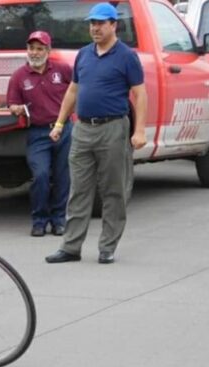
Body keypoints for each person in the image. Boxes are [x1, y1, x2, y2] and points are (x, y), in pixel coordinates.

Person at [45, 2, 147, 264]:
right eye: (92, 23)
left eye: (101, 23)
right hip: (83, 128)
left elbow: (140, 93)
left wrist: (139, 131)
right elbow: (73, 91)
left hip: (113, 128)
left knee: (113, 190)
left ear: (114, 25)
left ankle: (107, 247)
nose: (95, 28)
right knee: (78, 190)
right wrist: (59, 123)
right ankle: (70, 247)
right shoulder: (84, 55)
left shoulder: (126, 56)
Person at [7, 30, 73, 237]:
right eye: (31, 48)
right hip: (38, 133)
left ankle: (59, 220)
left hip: (63, 128)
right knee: (41, 175)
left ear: (48, 50)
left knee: (63, 177)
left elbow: (77, 91)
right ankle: (39, 220)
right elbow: (12, 103)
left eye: (39, 48)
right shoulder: (19, 76)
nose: (34, 53)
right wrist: (15, 108)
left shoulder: (63, 70)